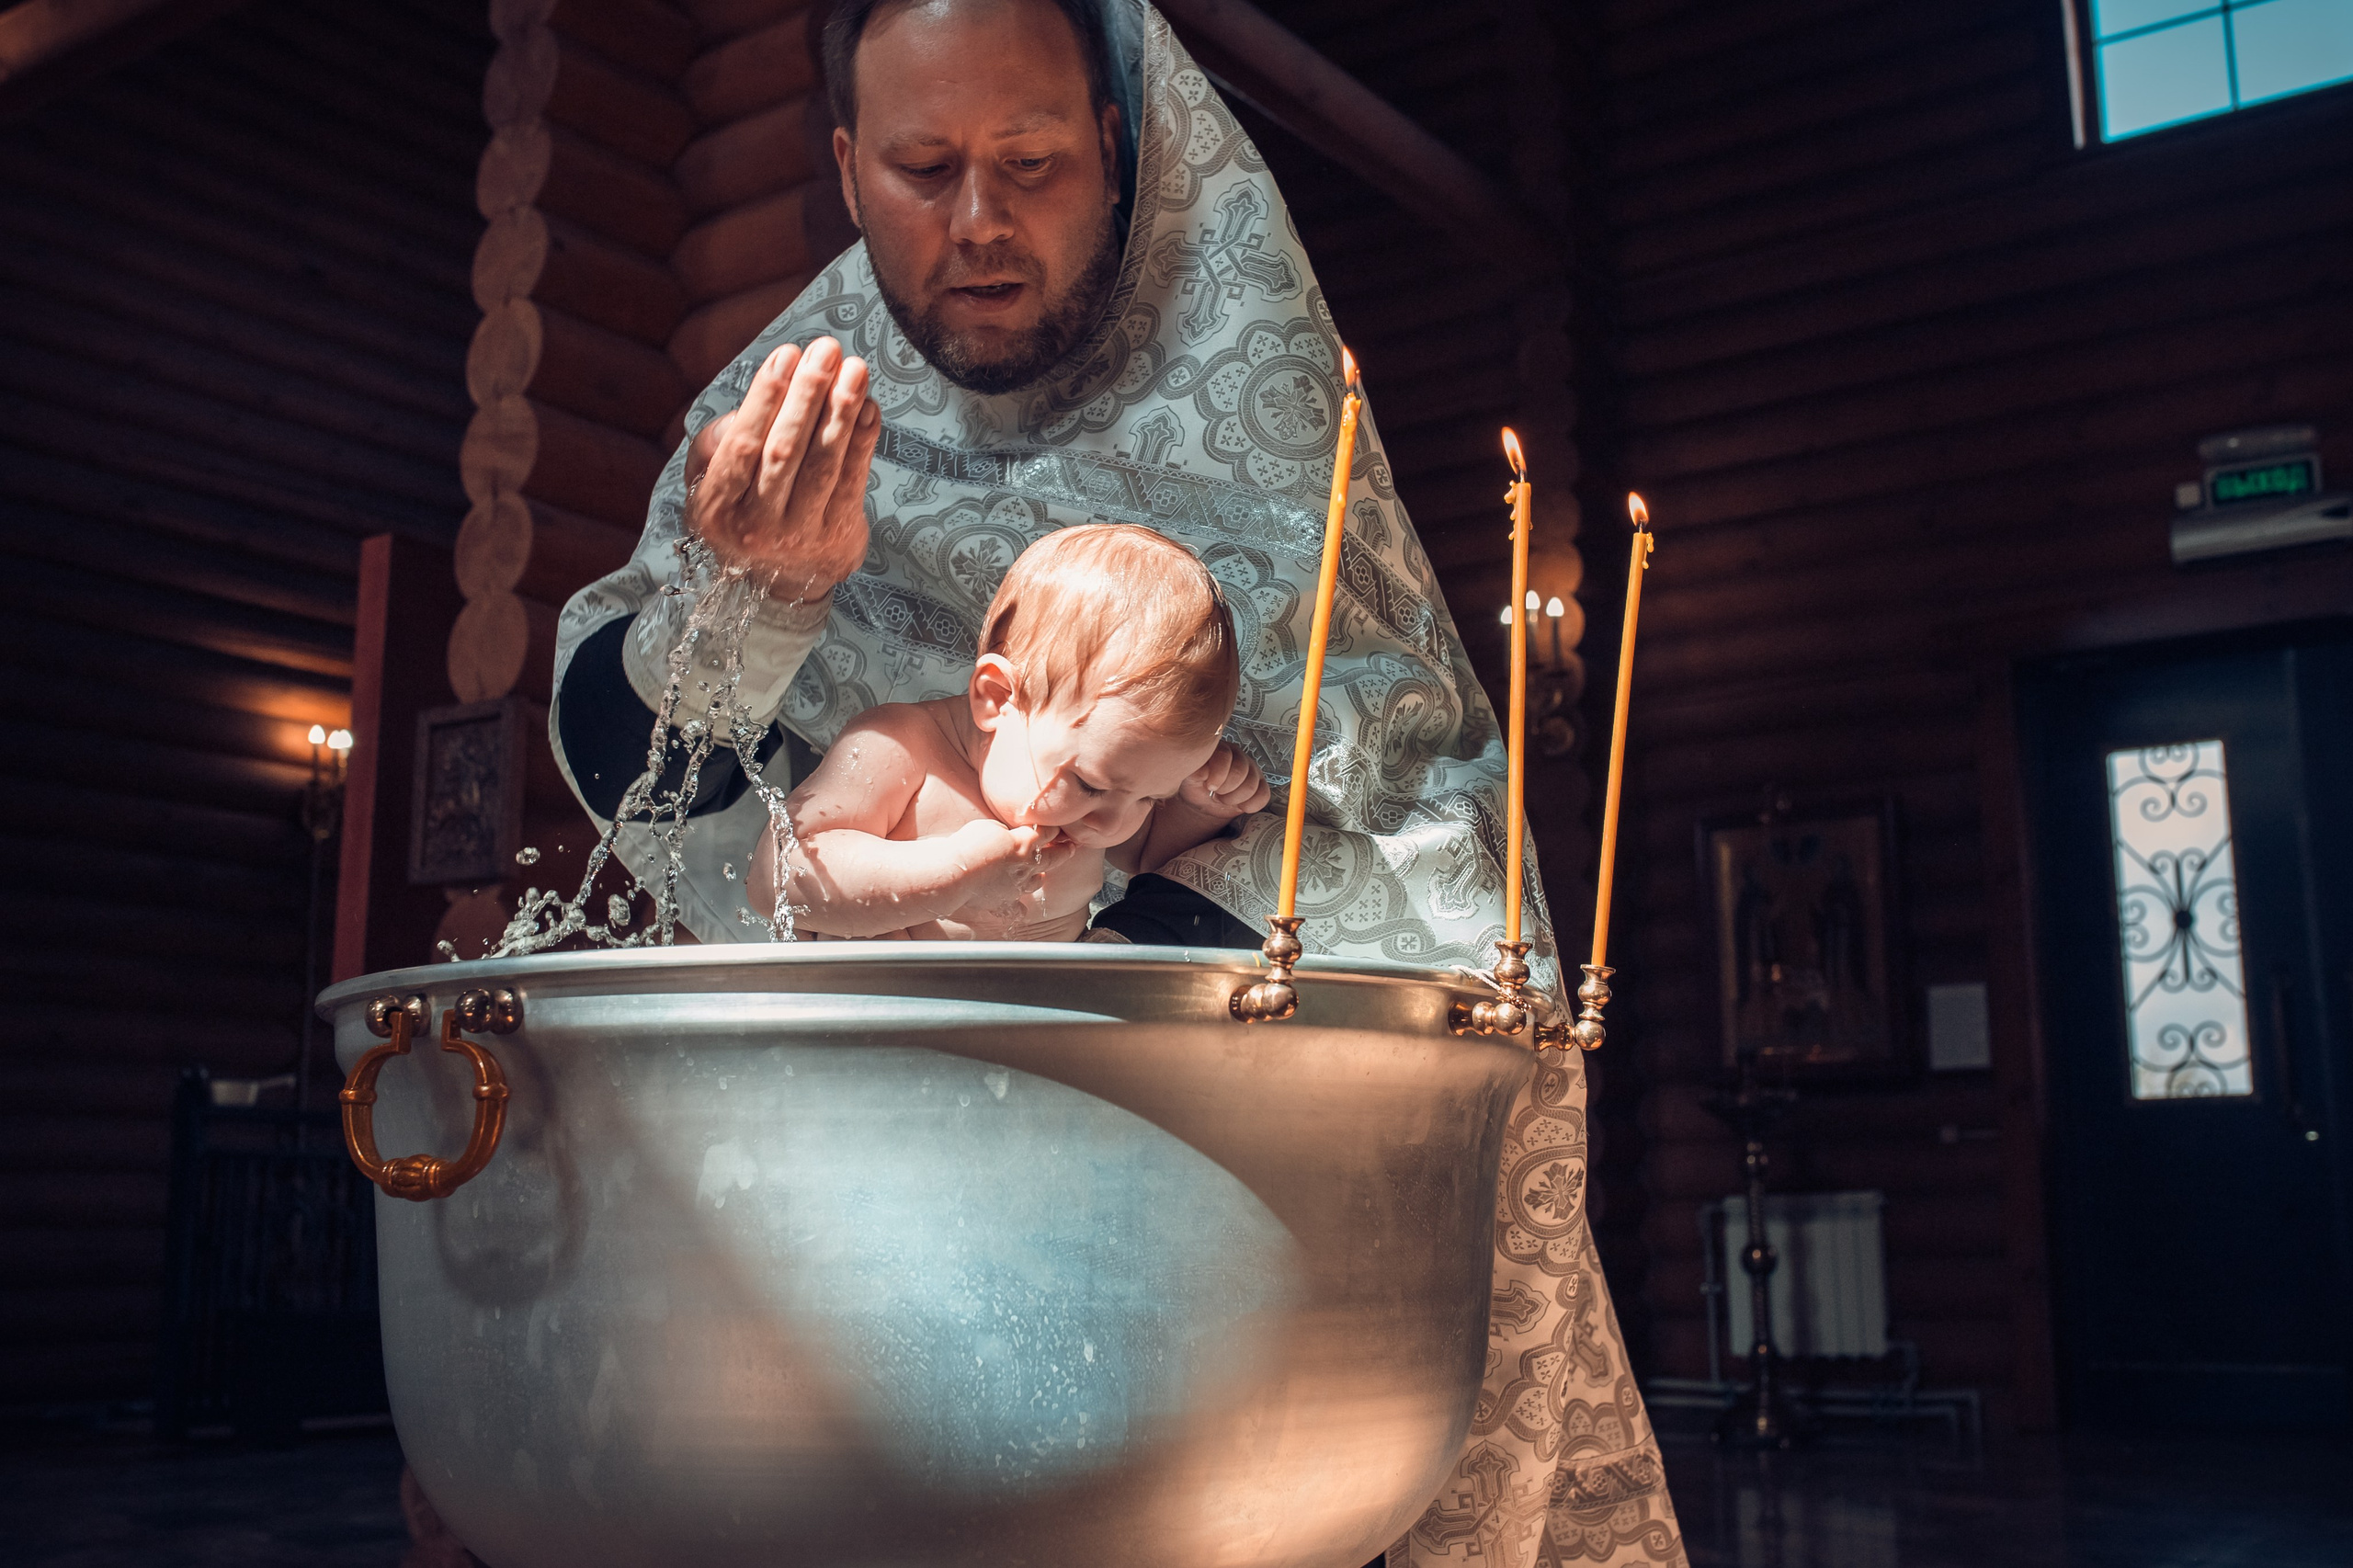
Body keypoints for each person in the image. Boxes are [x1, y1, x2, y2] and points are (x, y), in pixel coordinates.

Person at [549, 2, 1684, 1563]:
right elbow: (680, 778)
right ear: (843, 164)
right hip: (863, 1230)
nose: (979, 223)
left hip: (1226, 1228)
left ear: (1118, 145)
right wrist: (758, 602)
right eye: (922, 167)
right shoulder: (783, 419)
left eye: (1029, 161)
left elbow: (1422, 853)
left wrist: (1118, 904)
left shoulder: (1259, 395)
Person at [745, 522, 1268, 939]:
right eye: (1090, 784)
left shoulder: (1092, 813)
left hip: (1030, 1027)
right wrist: (952, 874)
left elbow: (1151, 862)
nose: (1111, 825)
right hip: (886, 1022)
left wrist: (1199, 811)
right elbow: (776, 875)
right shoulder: (900, 748)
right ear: (996, 698)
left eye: (1151, 800)